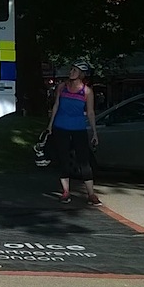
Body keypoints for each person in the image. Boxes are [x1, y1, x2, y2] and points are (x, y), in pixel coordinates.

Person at [46, 61, 101, 206]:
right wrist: (50, 125)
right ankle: (66, 192)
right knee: (64, 159)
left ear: (81, 74)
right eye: (71, 70)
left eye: (74, 70)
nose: (71, 72)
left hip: (78, 129)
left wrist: (94, 132)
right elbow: (56, 105)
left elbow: (90, 112)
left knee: (84, 161)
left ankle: (91, 194)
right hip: (60, 127)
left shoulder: (87, 91)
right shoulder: (62, 87)